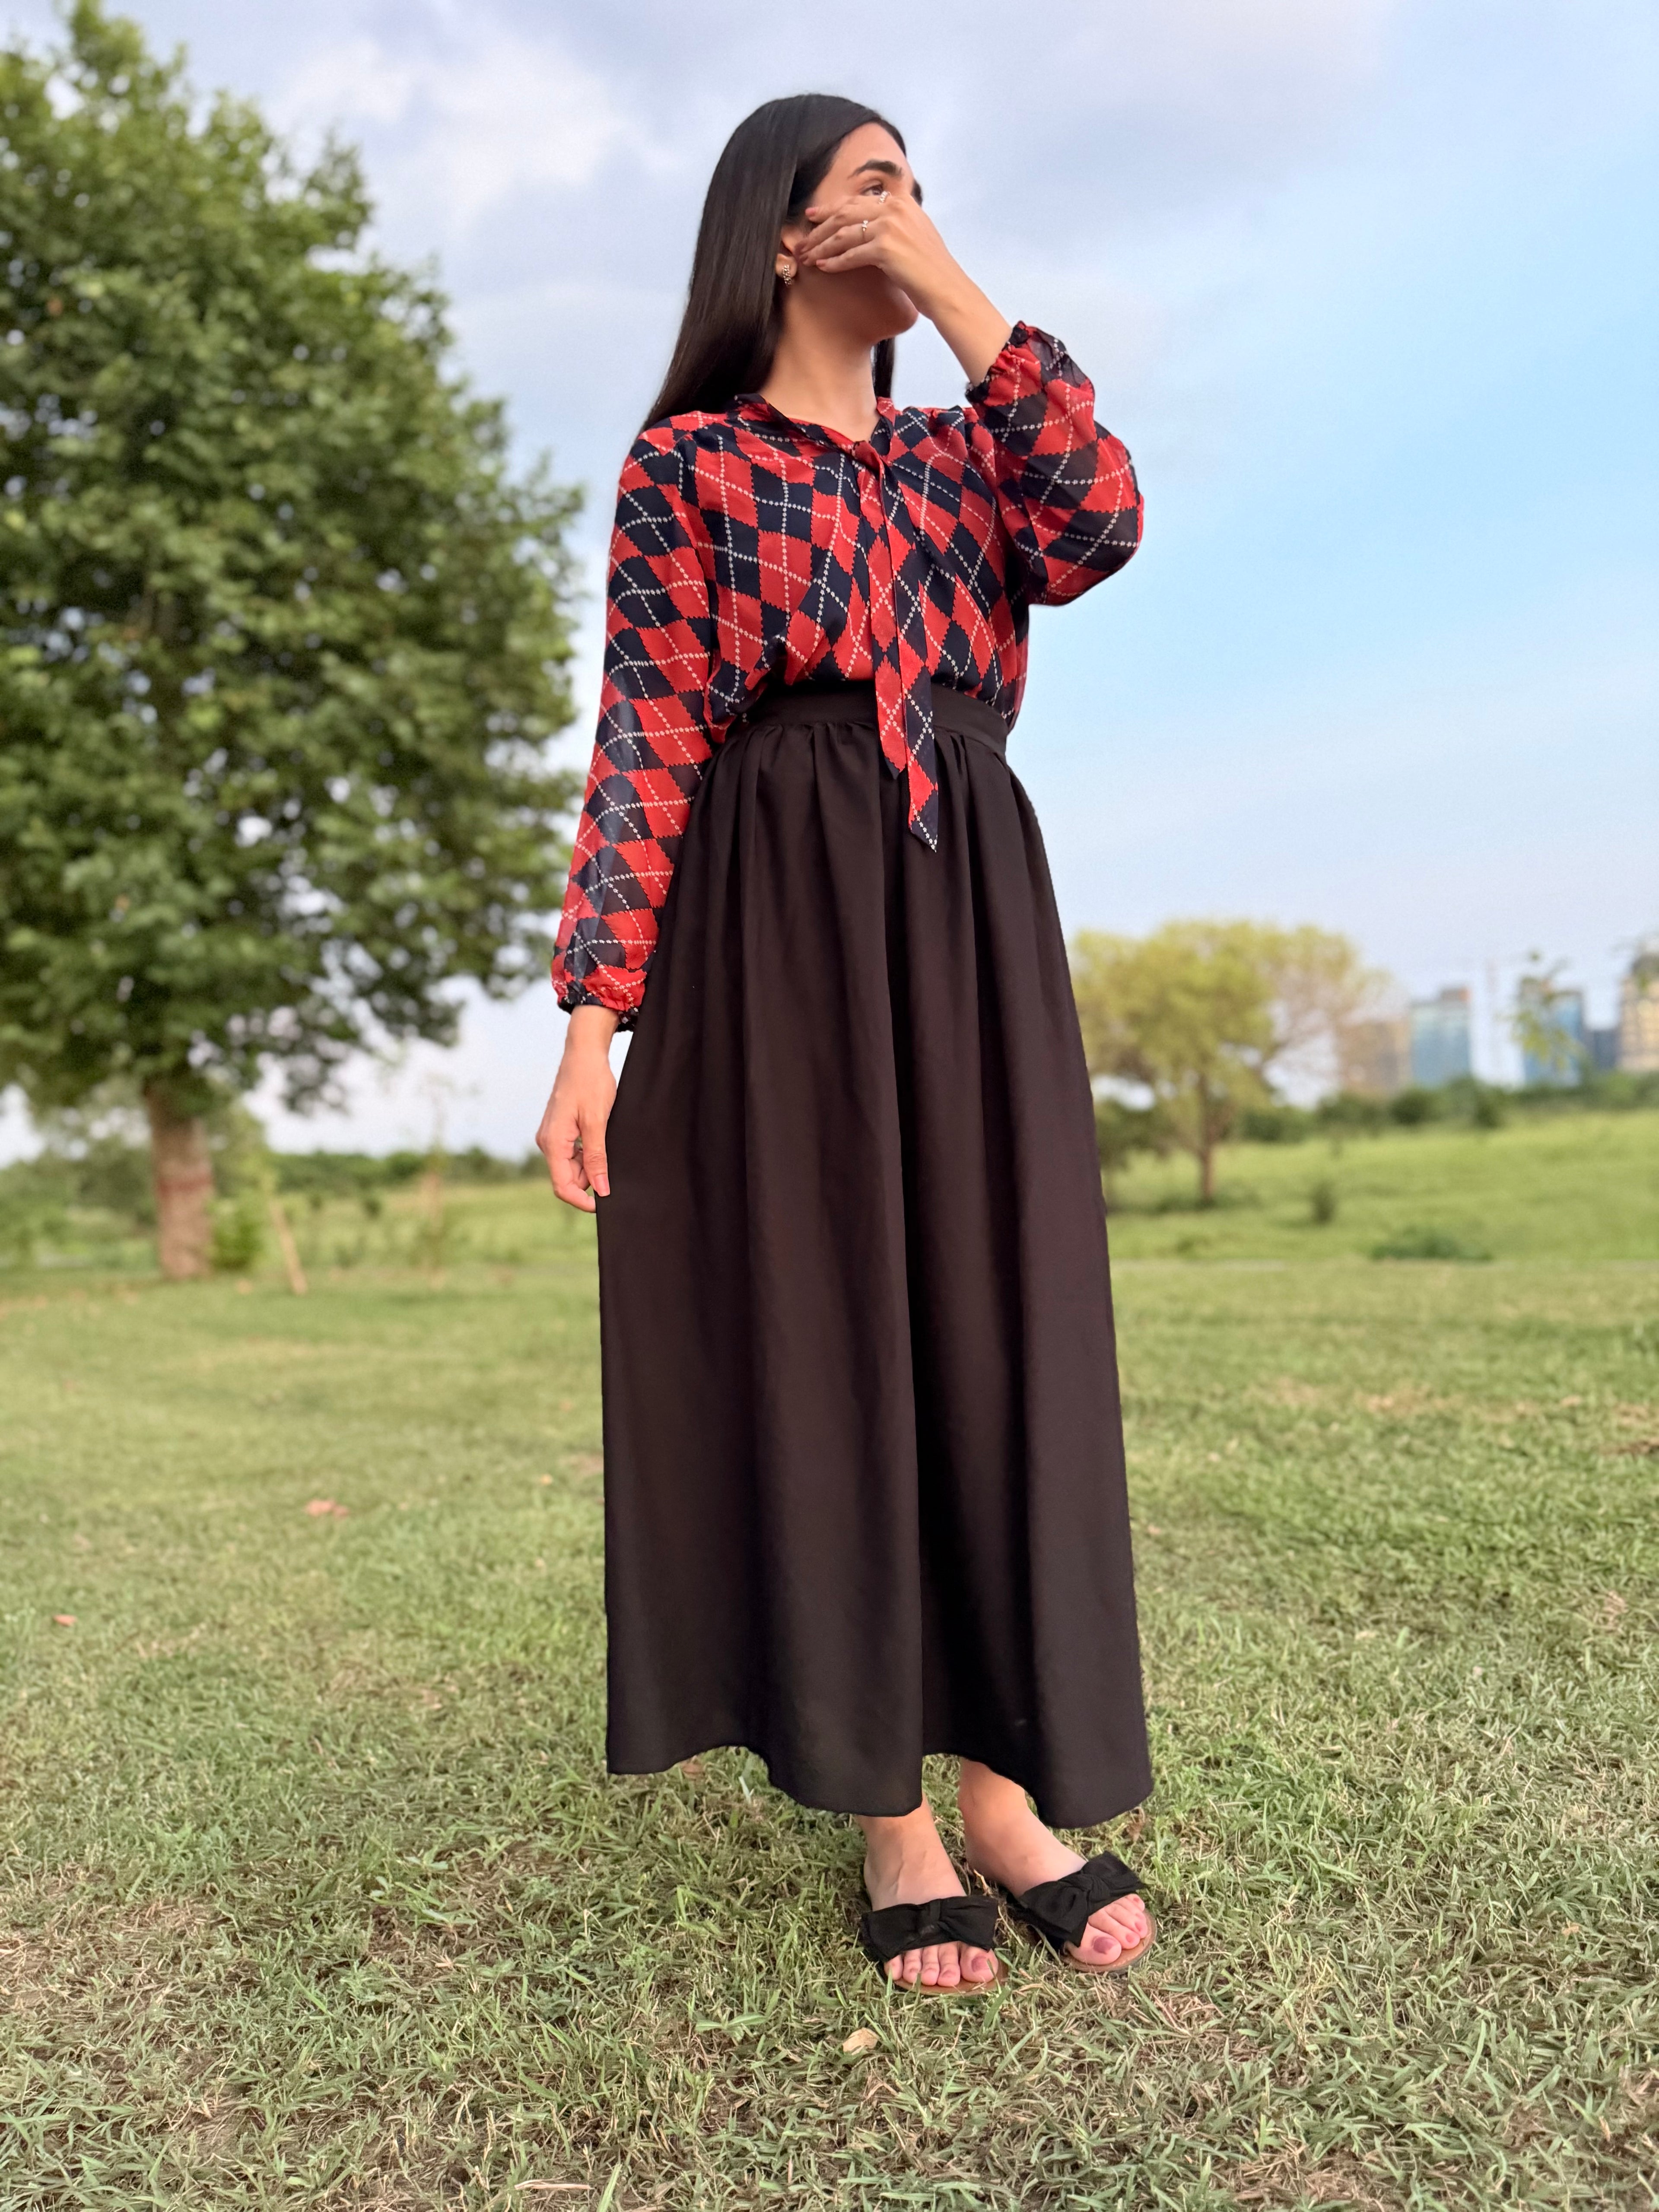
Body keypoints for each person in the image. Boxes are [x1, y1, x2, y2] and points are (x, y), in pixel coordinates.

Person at [537, 93, 1154, 1995]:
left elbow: (1105, 516)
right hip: (776, 914)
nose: (909, 209)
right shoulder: (692, 467)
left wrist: (951, 282)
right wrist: (591, 1017)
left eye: (919, 184)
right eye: (874, 186)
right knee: (836, 1330)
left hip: (966, 905)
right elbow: (648, 735)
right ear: (782, 236)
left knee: (996, 1322)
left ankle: (1006, 1796)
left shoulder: (972, 456)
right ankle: (895, 1818)